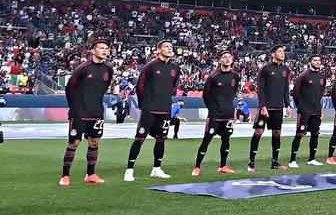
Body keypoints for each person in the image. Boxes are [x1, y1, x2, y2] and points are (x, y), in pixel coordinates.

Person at [125, 39, 180, 182]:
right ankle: (129, 170)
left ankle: (156, 169)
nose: (169, 48)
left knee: (161, 139)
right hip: (149, 108)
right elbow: (140, 86)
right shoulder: (150, 66)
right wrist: (144, 104)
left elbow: (174, 88)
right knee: (139, 138)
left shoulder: (175, 68)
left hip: (165, 109)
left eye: (171, 47)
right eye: (166, 46)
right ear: (158, 50)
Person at [61, 39, 114, 186]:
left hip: (96, 112)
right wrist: (74, 106)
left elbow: (104, 88)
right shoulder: (82, 68)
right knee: (74, 143)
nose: (105, 51)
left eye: (106, 48)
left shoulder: (108, 70)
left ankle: (90, 174)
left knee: (94, 142)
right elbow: (69, 88)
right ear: (93, 51)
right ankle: (65, 176)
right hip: (79, 112)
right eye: (101, 48)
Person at [193, 49, 240, 176]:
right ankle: (197, 167)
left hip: (228, 114)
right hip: (215, 115)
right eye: (224, 57)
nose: (227, 58)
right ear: (219, 60)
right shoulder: (213, 77)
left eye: (229, 57)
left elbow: (234, 92)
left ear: (232, 60)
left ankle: (223, 166)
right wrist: (213, 109)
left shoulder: (235, 76)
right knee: (207, 140)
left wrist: (228, 106)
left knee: (226, 139)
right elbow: (205, 95)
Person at [248, 45, 291, 172]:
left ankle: (275, 162)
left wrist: (287, 105)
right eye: (279, 51)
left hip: (278, 107)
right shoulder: (265, 69)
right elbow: (260, 89)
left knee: (277, 133)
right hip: (266, 107)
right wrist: (263, 106)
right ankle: (251, 163)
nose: (282, 53)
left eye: (283, 51)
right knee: (259, 132)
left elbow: (286, 89)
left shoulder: (285, 69)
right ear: (273, 54)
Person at [289, 54, 327, 167]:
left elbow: (321, 94)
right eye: (315, 60)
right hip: (304, 110)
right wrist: (301, 107)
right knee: (299, 134)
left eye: (319, 60)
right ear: (310, 62)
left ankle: (312, 159)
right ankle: (292, 160)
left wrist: (319, 108)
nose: (317, 62)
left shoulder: (322, 77)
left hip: (316, 110)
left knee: (315, 134)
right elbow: (296, 93)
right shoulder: (303, 76)